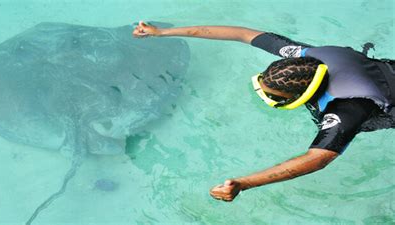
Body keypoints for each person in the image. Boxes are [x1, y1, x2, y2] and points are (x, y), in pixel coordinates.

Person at [132, 21, 395, 202]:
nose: (265, 97)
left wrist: (244, 183)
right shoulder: (302, 56)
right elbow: (241, 33)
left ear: (303, 96)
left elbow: (317, 158)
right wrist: (162, 32)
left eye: (273, 97)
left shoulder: (346, 108)